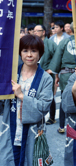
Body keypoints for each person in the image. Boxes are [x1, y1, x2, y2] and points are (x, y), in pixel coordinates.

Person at [0, 35, 53, 166]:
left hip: (33, 132)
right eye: (25, 50)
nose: (29, 55)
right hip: (10, 129)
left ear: (40, 53)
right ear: (19, 52)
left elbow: (43, 107)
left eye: (34, 51)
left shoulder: (46, 78)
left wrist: (22, 95)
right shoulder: (10, 74)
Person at [51, 21, 76, 133]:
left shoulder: (63, 42)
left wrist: (57, 75)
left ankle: (62, 126)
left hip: (65, 75)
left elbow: (56, 61)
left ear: (70, 30)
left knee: (64, 99)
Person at [34, 24, 57, 125]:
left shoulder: (50, 43)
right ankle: (38, 116)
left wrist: (52, 70)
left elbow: (57, 57)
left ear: (43, 32)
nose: (35, 33)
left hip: (47, 73)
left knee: (49, 96)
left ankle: (52, 117)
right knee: (36, 94)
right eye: (34, 31)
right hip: (35, 72)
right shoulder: (34, 43)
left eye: (37, 31)